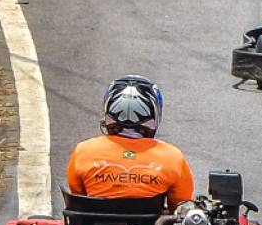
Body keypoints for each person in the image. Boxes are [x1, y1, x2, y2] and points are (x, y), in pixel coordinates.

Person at [65, 76, 194, 205]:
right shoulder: (172, 157)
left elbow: (79, 200)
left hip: (94, 223)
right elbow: (180, 207)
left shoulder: (83, 151)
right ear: (154, 114)